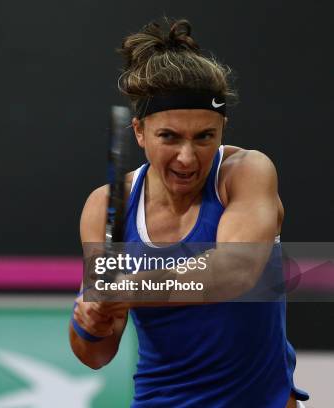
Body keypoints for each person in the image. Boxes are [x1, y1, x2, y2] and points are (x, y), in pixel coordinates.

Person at [69, 19, 309, 408]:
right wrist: (91, 323)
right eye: (169, 136)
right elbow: (95, 354)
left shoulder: (246, 172)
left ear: (222, 130)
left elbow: (235, 271)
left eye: (204, 137)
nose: (187, 157)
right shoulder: (105, 206)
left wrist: (126, 288)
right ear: (140, 132)